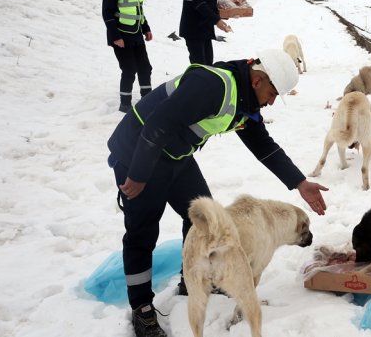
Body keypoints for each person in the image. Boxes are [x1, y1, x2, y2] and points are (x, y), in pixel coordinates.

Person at [106, 49, 328, 337]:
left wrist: (300, 182)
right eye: (273, 93)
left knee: (206, 219)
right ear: (259, 79)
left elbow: (263, 145)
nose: (272, 102)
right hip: (138, 151)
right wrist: (136, 175)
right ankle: (142, 309)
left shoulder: (245, 102)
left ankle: (193, 279)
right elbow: (158, 124)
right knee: (142, 232)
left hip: (175, 155)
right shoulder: (213, 85)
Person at [102, 0, 153, 113]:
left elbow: (138, 9)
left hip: (136, 34)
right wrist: (115, 37)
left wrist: (146, 28)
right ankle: (125, 104)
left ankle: (147, 99)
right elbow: (107, 13)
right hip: (121, 36)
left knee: (145, 68)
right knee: (129, 69)